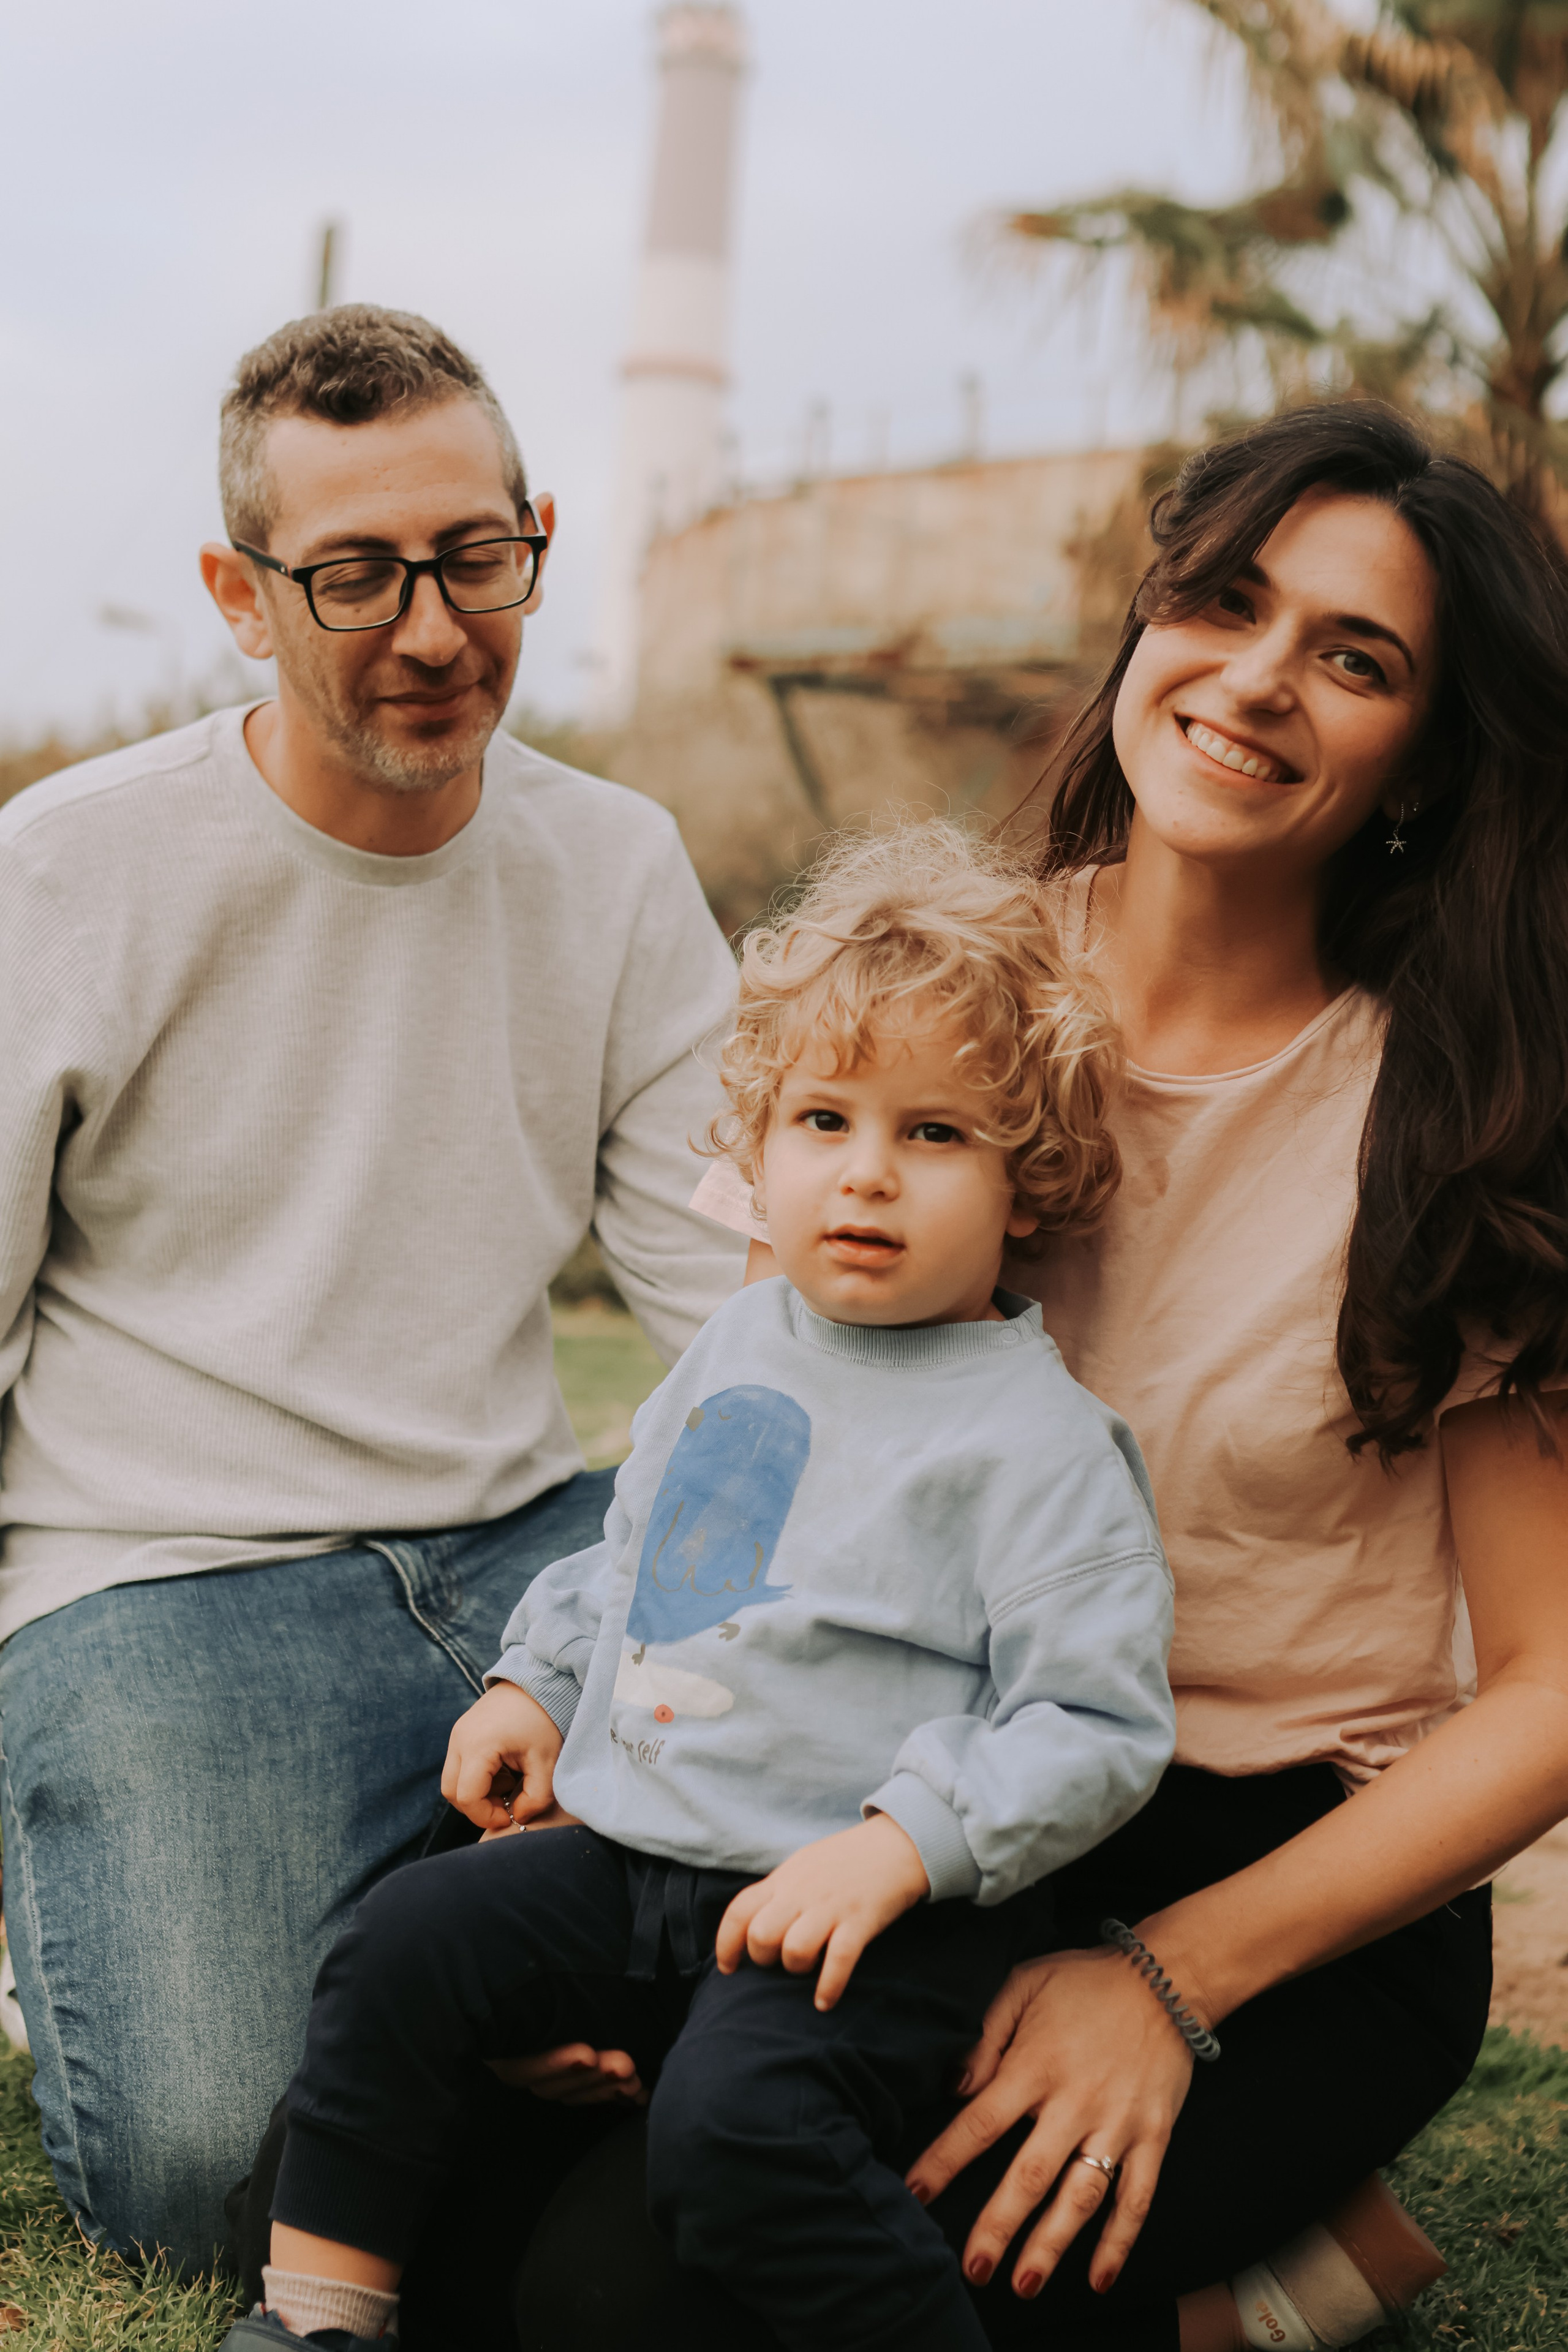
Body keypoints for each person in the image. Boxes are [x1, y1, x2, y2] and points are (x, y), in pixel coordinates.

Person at [513, 402, 1568, 2351]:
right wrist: (616, 1821)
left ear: (1424, 760)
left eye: (1355, 660)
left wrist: (1168, 1978)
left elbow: (1551, 1693)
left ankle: (1262, 2289)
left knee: (654, 2303)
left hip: (1265, 1858)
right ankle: (1260, 2280)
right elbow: (738, 1464)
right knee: (494, 2223)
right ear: (1148, 622)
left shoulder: (1460, 1113)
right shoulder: (915, 992)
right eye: (1227, 602)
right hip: (889, 1791)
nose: (1258, 680)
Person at [0, 303, 746, 2278]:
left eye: (474, 557)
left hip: (531, 1547)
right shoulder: (65, 871)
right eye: (354, 575)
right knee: (206, 2178)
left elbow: (744, 1331)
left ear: (534, 540)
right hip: (166, 1576)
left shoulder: (621, 865)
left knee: (811, 1962)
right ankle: (135, 1899)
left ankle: (437, 1965)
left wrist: (658, 1629)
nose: (431, 629)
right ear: (240, 597)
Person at [221, 826, 1178, 2351]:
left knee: (734, 2139)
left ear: (1026, 1187)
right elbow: (636, 1557)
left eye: (933, 1134)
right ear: (759, 1149)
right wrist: (539, 1682)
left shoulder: (1039, 1443)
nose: (864, 1172)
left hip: (859, 1914)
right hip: (639, 1855)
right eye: (822, 1119)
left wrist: (901, 1847)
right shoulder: (739, 1349)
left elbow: (1093, 1723)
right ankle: (318, 2324)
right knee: (405, 1940)